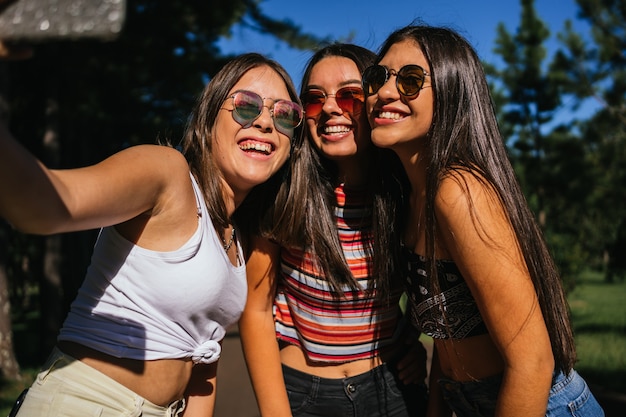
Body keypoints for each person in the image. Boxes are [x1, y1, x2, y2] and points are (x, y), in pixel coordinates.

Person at [0, 52, 304, 417]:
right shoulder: (167, 174)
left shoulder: (235, 238)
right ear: (208, 119)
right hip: (84, 404)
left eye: (284, 114)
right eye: (246, 106)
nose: (266, 122)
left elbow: (202, 362)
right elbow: (43, 204)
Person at [362, 24, 605, 417]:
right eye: (377, 77)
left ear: (452, 91)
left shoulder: (458, 189)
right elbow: (449, 333)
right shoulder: (411, 198)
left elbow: (533, 363)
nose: (385, 92)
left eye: (410, 80)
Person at [238, 43, 428, 417]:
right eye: (313, 99)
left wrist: (411, 340)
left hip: (394, 390)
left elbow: (428, 286)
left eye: (349, 95)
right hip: (303, 392)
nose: (328, 108)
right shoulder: (284, 191)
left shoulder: (405, 193)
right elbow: (255, 309)